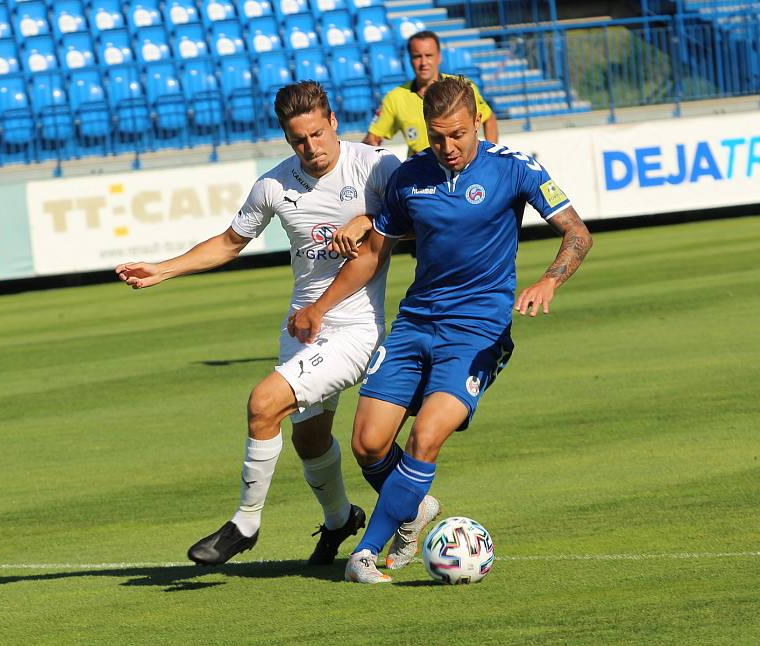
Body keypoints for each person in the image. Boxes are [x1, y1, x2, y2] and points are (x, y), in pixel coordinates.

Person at [290, 76, 593, 583]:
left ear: (477, 120)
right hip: (417, 322)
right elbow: (372, 255)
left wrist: (549, 280)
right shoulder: (410, 177)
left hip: (478, 330)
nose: (447, 147)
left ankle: (366, 553)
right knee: (367, 443)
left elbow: (577, 233)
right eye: (436, 137)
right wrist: (320, 306)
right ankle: (413, 507)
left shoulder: (515, 168)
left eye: (457, 134)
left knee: (425, 436)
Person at [115, 81, 401, 567]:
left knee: (263, 404)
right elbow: (229, 242)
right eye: (298, 140)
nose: (310, 148)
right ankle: (340, 519)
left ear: (333, 122)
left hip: (355, 328)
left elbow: (419, 214)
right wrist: (164, 268)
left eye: (316, 134)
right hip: (302, 327)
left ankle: (245, 523)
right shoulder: (273, 185)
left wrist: (371, 218)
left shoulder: (377, 166)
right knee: (308, 440)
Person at [362, 30, 498, 157]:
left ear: (439, 57)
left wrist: (490, 156)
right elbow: (372, 138)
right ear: (409, 60)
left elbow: (488, 118)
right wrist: (371, 147)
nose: (423, 62)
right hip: (422, 175)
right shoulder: (395, 98)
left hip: (460, 165)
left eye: (428, 55)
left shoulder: (462, 88)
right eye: (417, 56)